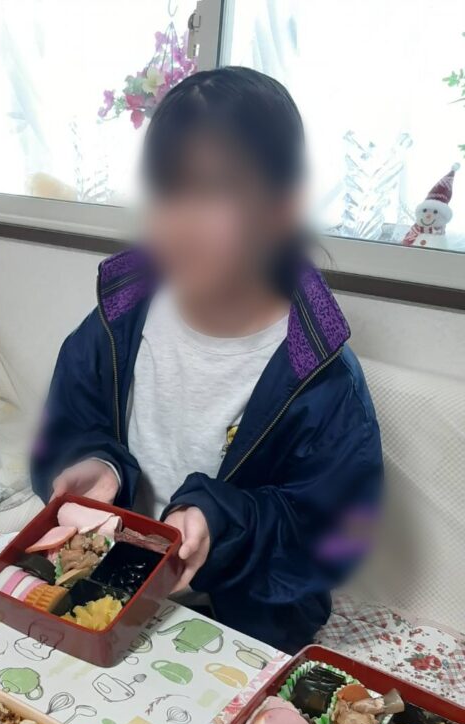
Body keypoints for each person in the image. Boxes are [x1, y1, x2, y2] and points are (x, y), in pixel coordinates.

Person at [31, 67, 382, 652]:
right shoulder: (120, 319)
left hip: (238, 619)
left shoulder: (321, 373)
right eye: (166, 188)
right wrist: (97, 463)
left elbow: (321, 534)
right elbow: (68, 426)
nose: (181, 218)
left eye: (215, 190)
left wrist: (220, 524)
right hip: (109, 583)